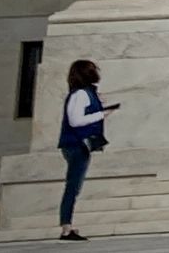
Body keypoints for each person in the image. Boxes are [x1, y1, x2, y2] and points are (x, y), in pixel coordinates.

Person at [56, 58, 116, 241]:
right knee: (73, 187)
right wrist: (101, 114)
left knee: (73, 187)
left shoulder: (84, 93)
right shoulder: (81, 94)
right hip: (76, 145)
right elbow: (75, 121)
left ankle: (67, 226)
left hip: (76, 145)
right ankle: (66, 228)